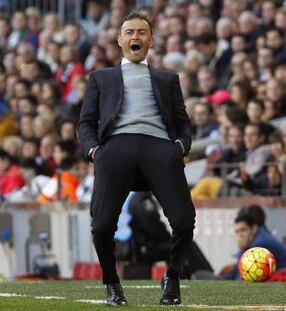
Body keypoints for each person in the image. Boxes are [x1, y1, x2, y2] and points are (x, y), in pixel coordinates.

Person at [78, 12, 195, 306]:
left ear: (151, 40)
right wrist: (94, 150)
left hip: (160, 147)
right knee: (102, 225)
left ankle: (172, 276)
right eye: (129, 32)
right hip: (115, 148)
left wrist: (180, 146)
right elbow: (85, 123)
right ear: (120, 40)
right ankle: (111, 282)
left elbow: (183, 122)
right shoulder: (100, 78)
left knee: (184, 220)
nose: (135, 37)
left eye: (142, 32)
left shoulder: (167, 79)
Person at [223, 210, 286, 280]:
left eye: (243, 230)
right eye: (237, 232)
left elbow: (248, 273)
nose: (240, 235)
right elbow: (237, 269)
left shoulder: (261, 244)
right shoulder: (256, 239)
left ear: (254, 228)